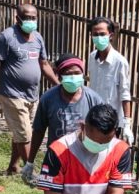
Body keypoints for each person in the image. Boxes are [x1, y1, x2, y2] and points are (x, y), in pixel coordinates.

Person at [0, 4, 59, 175]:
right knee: (25, 135)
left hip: (32, 95)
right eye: (27, 17)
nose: (31, 20)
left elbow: (44, 64)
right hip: (12, 94)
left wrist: (57, 84)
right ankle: (30, 171)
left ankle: (13, 167)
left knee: (21, 133)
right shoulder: (7, 37)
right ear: (18, 19)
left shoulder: (38, 38)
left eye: (34, 17)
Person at [23, 55, 105, 183]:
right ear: (60, 76)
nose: (73, 77)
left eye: (77, 73)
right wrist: (30, 161)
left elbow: (103, 131)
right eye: (68, 73)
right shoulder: (48, 99)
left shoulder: (93, 99)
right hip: (56, 156)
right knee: (54, 193)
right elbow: (39, 130)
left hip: (84, 157)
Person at [86, 17, 134, 144]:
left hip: (110, 122)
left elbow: (125, 93)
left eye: (102, 34)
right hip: (92, 117)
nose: (98, 37)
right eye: (95, 34)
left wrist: (127, 124)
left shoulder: (120, 62)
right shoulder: (92, 57)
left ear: (110, 36)